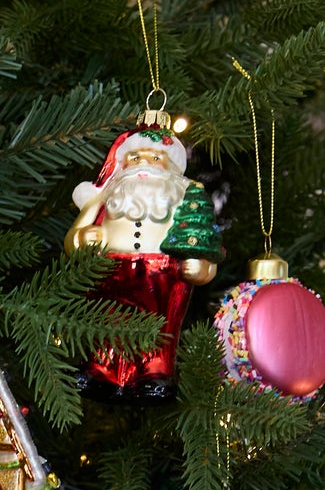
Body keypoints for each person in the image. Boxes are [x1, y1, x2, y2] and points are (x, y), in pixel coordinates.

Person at [67, 126, 220, 397]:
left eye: (155, 157)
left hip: (164, 272)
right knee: (104, 320)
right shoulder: (107, 195)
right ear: (122, 163)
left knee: (160, 325)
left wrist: (201, 267)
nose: (144, 164)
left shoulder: (185, 198)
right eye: (135, 158)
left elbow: (205, 242)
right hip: (110, 269)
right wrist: (82, 238)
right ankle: (101, 369)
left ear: (171, 166)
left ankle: (154, 372)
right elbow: (73, 240)